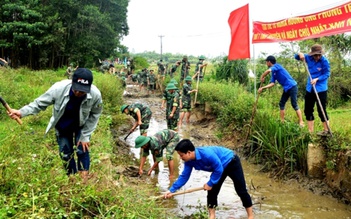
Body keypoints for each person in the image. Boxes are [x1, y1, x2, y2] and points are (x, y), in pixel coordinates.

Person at [8, 68, 103, 181]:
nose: (78, 93)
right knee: (65, 154)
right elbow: (39, 104)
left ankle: (83, 182)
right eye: (76, 89)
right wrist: (21, 112)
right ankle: (72, 180)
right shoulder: (58, 89)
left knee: (82, 149)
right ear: (72, 82)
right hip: (63, 125)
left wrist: (85, 136)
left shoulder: (95, 95)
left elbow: (95, 115)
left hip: (81, 125)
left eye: (82, 91)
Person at [164, 139, 254, 219]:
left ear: (189, 152)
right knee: (212, 191)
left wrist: (210, 183)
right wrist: (171, 190)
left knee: (241, 190)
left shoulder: (206, 154)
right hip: (219, 168)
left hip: (231, 161)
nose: (180, 157)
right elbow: (184, 176)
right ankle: (212, 216)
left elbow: (219, 169)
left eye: (181, 155)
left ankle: (250, 216)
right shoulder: (188, 162)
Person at [294, 44, 331, 134]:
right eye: (315, 55)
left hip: (321, 88)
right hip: (310, 88)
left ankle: (326, 131)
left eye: (319, 55)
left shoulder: (324, 61)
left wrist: (317, 79)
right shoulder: (308, 58)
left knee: (321, 110)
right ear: (312, 54)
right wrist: (300, 54)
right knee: (308, 110)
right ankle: (310, 132)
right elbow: (296, 57)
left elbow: (327, 74)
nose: (317, 57)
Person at [259, 55, 304, 126]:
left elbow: (268, 71)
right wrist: (263, 88)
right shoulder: (273, 73)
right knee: (281, 103)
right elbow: (272, 83)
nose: (266, 64)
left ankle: (301, 122)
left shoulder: (277, 66)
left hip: (292, 86)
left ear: (269, 62)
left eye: (266, 62)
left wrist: (262, 76)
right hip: (286, 88)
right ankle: (282, 121)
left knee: (294, 104)